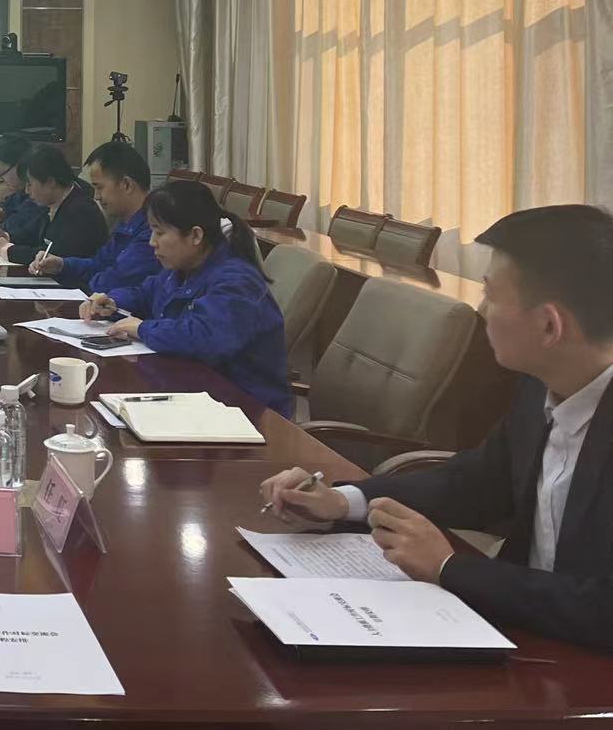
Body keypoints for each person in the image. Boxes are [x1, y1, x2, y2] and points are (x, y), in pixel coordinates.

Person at [260, 204, 613, 646]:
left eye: (491, 295)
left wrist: (450, 567)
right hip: (526, 635)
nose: (481, 310)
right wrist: (342, 501)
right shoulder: (540, 386)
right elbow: (477, 482)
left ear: (548, 326)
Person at [81, 180, 289, 415]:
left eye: (160, 232)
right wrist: (113, 302)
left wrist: (142, 328)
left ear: (195, 235)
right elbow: (145, 292)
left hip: (246, 410)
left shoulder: (237, 281)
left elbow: (204, 337)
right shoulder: (183, 267)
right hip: (194, 394)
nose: (152, 242)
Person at [32, 139, 158, 294]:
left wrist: (82, 282)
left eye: (100, 187)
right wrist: (62, 265)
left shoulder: (153, 231)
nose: (96, 196)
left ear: (126, 184)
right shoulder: (125, 225)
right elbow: (99, 264)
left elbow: (113, 282)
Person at [0, 146, 106, 265]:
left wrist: (6, 249)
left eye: (30, 184)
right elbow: (34, 236)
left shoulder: (80, 211)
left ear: (50, 182)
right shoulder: (52, 203)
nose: (27, 191)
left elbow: (52, 256)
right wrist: (7, 237)